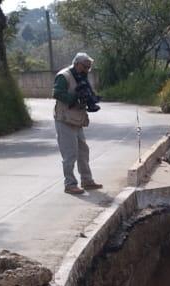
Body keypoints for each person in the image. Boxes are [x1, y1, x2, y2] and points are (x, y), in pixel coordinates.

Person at [53, 52, 103, 195]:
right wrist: (74, 98)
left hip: (77, 119)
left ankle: (87, 180)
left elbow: (86, 92)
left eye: (89, 68)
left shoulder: (82, 76)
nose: (87, 70)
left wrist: (92, 98)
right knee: (70, 154)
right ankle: (70, 184)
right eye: (85, 67)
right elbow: (56, 93)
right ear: (77, 64)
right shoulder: (64, 76)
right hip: (65, 119)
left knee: (83, 151)